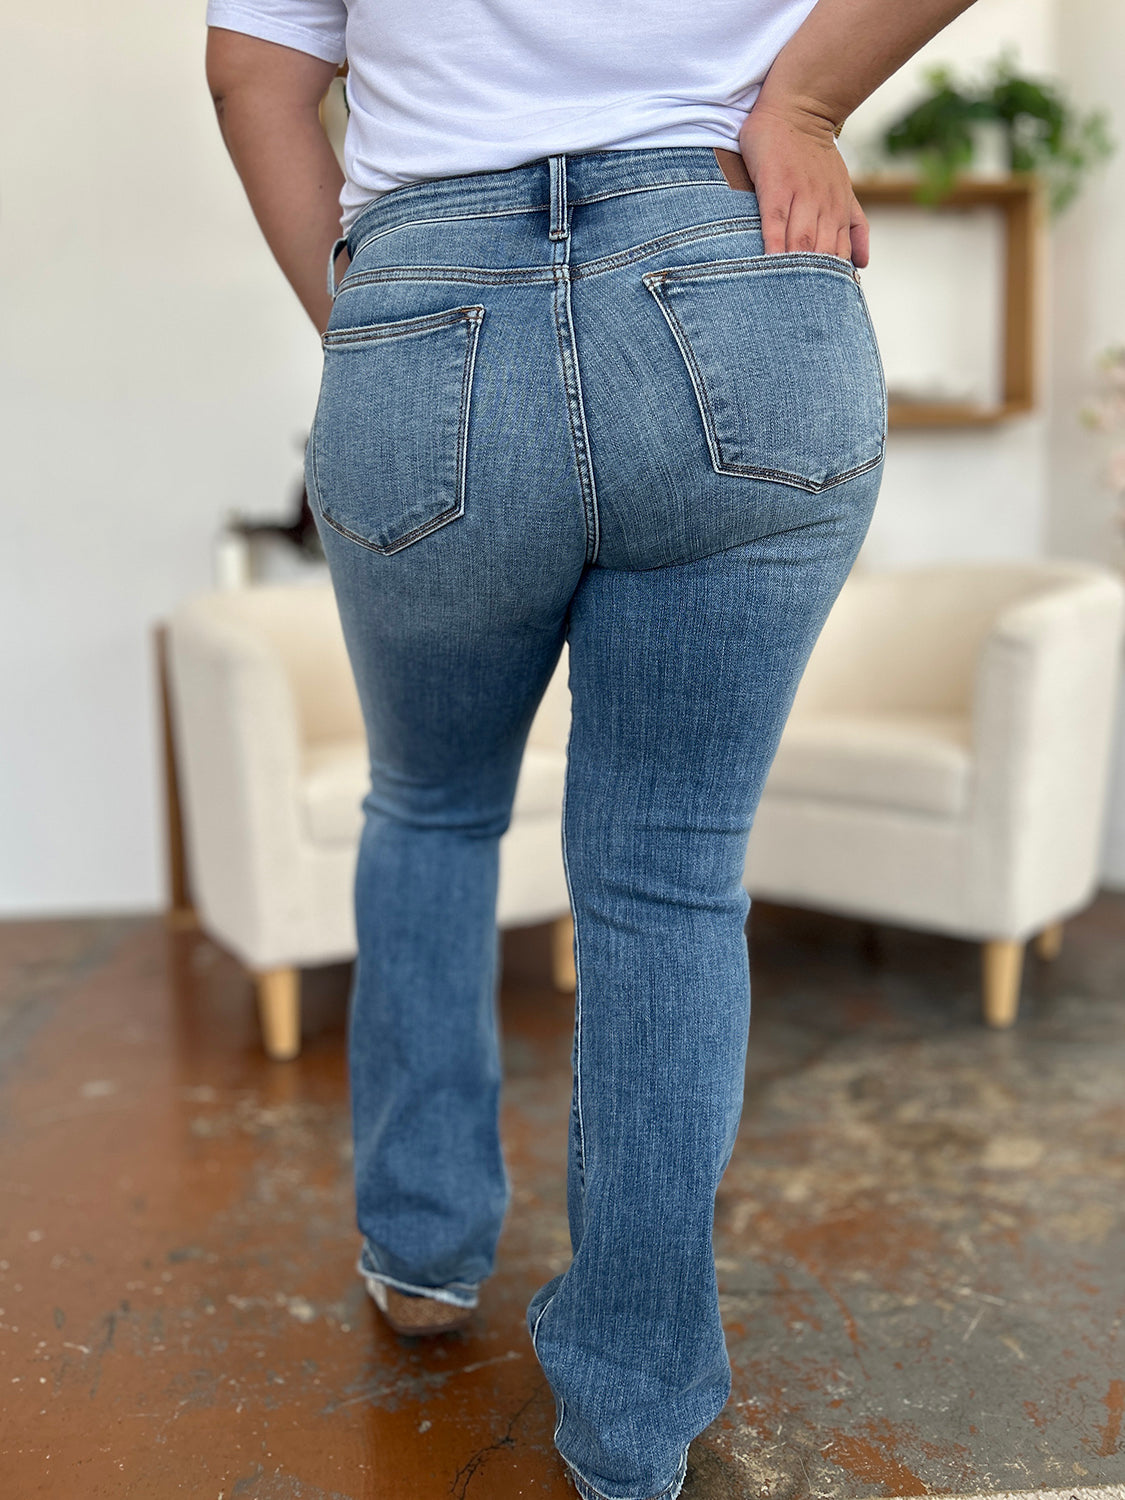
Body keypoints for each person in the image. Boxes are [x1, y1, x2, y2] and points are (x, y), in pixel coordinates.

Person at [204, 4, 977, 1497]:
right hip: (738, 274)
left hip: (428, 302)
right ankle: (630, 1429)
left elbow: (256, 76)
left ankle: (421, 1255)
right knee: (667, 880)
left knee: (428, 808)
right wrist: (802, 104)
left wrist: (373, 319)